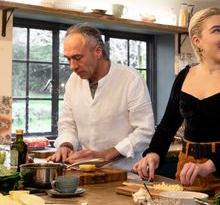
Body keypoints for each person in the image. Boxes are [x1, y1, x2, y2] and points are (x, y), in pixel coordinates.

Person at [133, 7, 220, 191]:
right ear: (197, 41)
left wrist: (207, 167)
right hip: (187, 170)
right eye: (217, 30)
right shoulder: (184, 75)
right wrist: (154, 153)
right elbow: (167, 125)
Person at [47, 23, 155, 170]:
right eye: (68, 59)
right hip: (85, 170)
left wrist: (105, 155)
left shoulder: (130, 79)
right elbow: (68, 123)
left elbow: (145, 131)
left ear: (98, 51)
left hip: (126, 173)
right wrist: (66, 145)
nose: (72, 66)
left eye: (77, 58)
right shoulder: (74, 81)